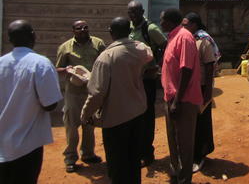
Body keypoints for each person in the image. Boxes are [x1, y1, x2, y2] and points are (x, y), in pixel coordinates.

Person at [81, 17, 153, 184]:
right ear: (129, 32)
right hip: (138, 113)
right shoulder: (141, 49)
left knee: (117, 164)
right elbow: (148, 53)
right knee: (133, 159)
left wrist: (86, 114)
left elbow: (97, 93)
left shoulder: (106, 58)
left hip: (116, 119)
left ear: (111, 33)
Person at [0, 20, 63, 184]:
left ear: (10, 39)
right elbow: (50, 104)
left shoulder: (1, 64)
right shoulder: (40, 64)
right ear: (33, 36)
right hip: (28, 145)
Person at [56, 20, 106, 173]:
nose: (83, 30)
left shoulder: (98, 44)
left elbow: (105, 62)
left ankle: (88, 154)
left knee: (89, 124)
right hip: (74, 93)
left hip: (91, 92)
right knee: (72, 126)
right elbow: (57, 68)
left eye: (86, 27)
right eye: (79, 28)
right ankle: (70, 158)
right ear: (73, 31)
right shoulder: (65, 48)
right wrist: (67, 69)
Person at [160, 8, 202, 184]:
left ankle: (185, 179)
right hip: (171, 97)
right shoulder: (172, 36)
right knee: (173, 139)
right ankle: (177, 173)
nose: (160, 22)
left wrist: (177, 100)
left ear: (169, 21)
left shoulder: (184, 37)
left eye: (162, 20)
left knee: (184, 143)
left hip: (183, 100)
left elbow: (186, 69)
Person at [128, 0, 167, 167]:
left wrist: (157, 66)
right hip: (131, 79)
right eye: (130, 12)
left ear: (142, 11)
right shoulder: (128, 28)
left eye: (136, 12)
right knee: (133, 115)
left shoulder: (150, 29)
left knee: (146, 116)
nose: (133, 15)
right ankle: (135, 150)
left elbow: (165, 46)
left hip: (147, 80)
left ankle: (147, 152)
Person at [182, 12, 220, 172]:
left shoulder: (203, 40)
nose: (183, 27)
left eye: (186, 24)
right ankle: (193, 153)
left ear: (194, 25)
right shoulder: (189, 39)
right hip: (193, 86)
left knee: (201, 121)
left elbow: (210, 65)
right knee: (192, 121)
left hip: (202, 86)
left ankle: (200, 155)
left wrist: (208, 92)